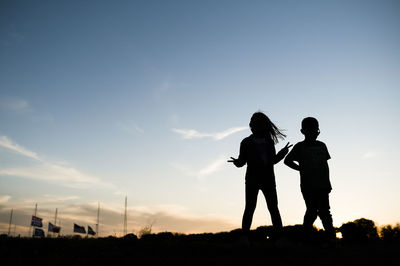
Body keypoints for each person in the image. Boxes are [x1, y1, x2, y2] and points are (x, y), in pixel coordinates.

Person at [228, 112, 291, 240]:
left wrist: (282, 153)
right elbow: (242, 161)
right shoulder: (246, 142)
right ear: (251, 125)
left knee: (273, 208)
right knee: (250, 208)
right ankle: (244, 237)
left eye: (257, 123)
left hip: (268, 180)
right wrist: (237, 162)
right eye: (253, 122)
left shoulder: (269, 141)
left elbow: (272, 160)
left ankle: (279, 237)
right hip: (252, 180)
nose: (254, 125)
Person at [284, 117, 335, 239]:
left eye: (316, 130)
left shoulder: (322, 145)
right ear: (303, 131)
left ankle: (330, 238)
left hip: (323, 185)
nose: (314, 133)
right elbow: (287, 161)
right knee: (312, 211)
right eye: (310, 130)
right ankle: (306, 237)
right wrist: (300, 169)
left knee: (324, 212)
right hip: (308, 186)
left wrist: (327, 183)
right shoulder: (300, 146)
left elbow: (325, 165)